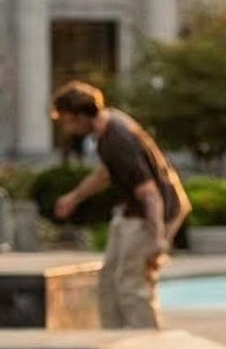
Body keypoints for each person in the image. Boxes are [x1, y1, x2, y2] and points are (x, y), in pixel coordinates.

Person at [49, 81, 190, 329]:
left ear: (82, 116)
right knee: (109, 281)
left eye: (69, 121)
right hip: (134, 212)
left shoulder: (117, 140)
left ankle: (146, 348)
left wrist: (158, 239)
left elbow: (150, 194)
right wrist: (74, 197)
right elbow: (105, 173)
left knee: (132, 285)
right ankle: (113, 342)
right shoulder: (110, 124)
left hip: (152, 215)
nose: (67, 128)